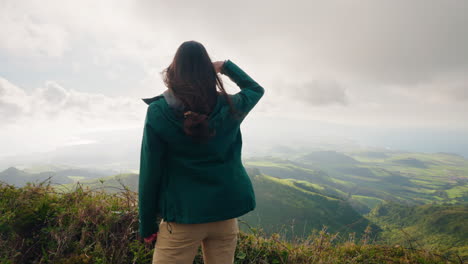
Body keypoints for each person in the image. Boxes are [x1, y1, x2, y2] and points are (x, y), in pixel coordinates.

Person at [138, 40, 265, 264]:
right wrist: (226, 66)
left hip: (182, 218)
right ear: (208, 72)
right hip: (225, 215)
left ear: (173, 72)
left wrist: (147, 224)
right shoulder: (231, 105)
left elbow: (150, 173)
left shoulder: (159, 112)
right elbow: (255, 89)